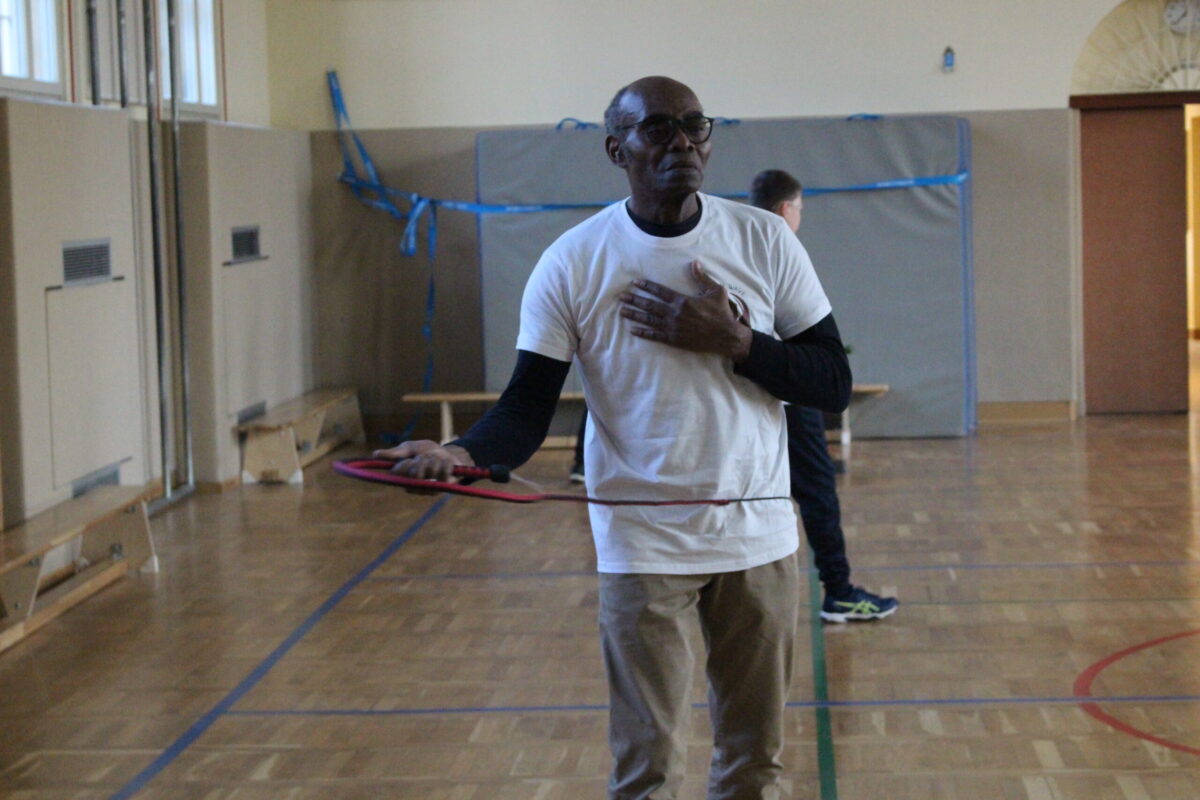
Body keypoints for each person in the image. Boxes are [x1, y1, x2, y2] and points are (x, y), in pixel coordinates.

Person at [376, 76, 851, 800]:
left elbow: (832, 381)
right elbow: (526, 406)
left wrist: (738, 341)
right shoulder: (573, 261)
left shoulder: (763, 240)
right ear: (616, 148)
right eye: (658, 128)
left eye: (695, 125)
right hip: (641, 541)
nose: (682, 141)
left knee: (755, 768)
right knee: (646, 771)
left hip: (756, 536)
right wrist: (462, 453)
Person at [748, 169, 899, 624]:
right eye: (800, 209)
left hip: (752, 401)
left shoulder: (737, 246)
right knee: (818, 494)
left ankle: (756, 602)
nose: (800, 217)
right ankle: (839, 590)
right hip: (789, 400)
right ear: (784, 210)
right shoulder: (780, 248)